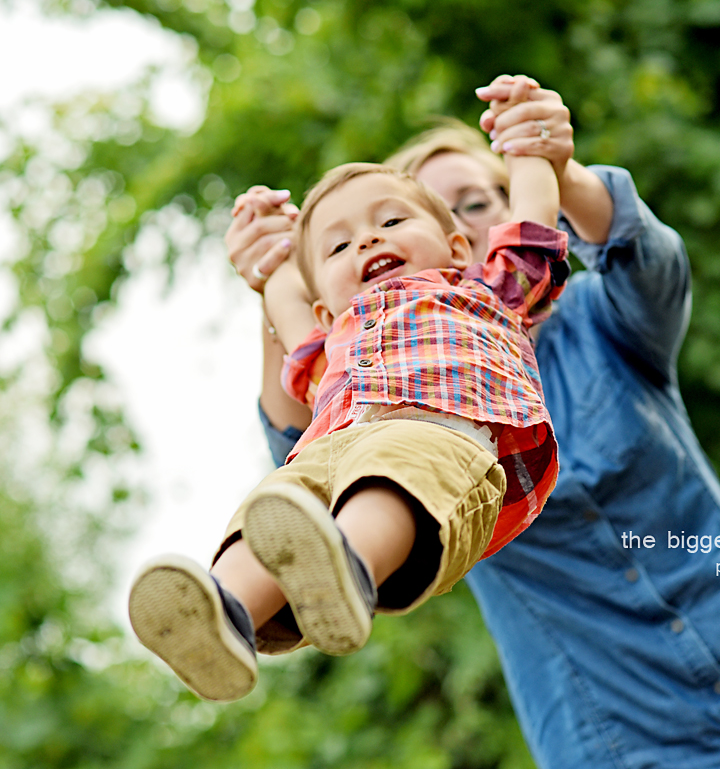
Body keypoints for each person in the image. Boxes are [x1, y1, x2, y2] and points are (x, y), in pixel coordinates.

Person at [228, 76, 720, 768]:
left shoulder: (601, 324)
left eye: (476, 202)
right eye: (352, 238)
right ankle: (229, 606)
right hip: (622, 743)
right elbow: (309, 441)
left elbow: (649, 260)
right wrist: (277, 281)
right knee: (322, 494)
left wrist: (552, 162)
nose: (465, 225)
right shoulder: (376, 374)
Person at [128, 148, 570, 703]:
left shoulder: (489, 294)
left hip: (442, 438)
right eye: (338, 246)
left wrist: (528, 149)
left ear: (458, 248)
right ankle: (227, 612)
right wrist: (274, 247)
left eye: (390, 221)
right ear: (322, 311)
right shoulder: (331, 343)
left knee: (393, 470)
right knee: (280, 495)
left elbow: (532, 227)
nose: (366, 240)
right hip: (333, 451)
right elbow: (282, 290)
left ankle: (350, 567)